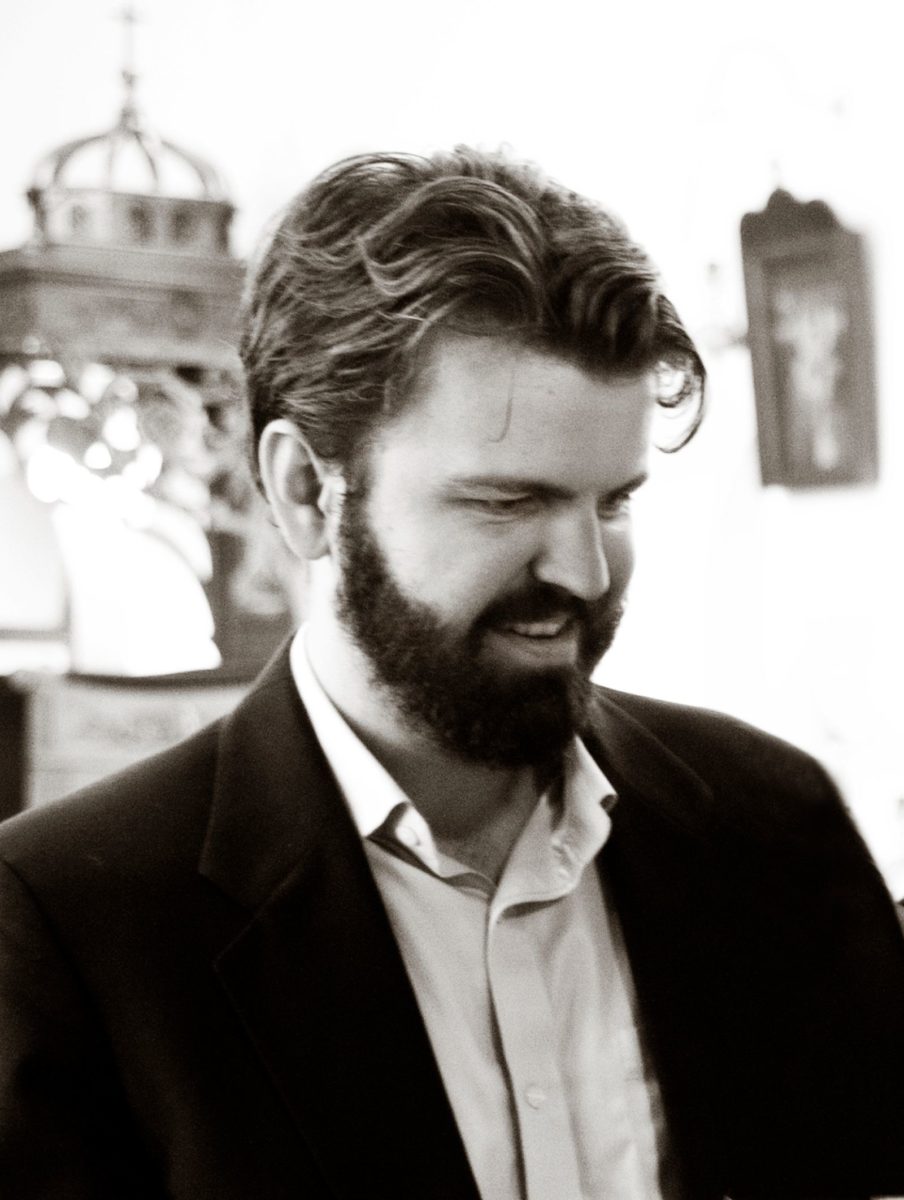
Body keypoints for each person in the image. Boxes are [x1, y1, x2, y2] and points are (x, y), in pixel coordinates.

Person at [1, 148, 903, 1200]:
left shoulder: (776, 824)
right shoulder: (70, 927)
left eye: (613, 501)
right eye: (506, 502)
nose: (584, 573)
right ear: (306, 493)